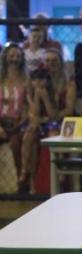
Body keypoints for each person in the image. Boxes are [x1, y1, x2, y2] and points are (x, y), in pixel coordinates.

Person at [19, 68, 58, 193]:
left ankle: (58, 174)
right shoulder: (29, 94)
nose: (38, 83)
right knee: (29, 136)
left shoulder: (52, 93)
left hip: (50, 124)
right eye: (34, 80)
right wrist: (36, 96)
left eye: (41, 79)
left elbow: (53, 115)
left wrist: (45, 99)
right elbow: (33, 114)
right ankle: (25, 170)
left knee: (50, 132)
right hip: (35, 125)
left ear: (47, 81)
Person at [0, 43, 28, 185]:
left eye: (18, 56)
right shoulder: (0, 80)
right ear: (5, 58)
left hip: (19, 122)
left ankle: (18, 181)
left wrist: (21, 122)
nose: (14, 59)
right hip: (1, 121)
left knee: (15, 143)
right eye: (11, 56)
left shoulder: (26, 81)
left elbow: (28, 106)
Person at [44, 48, 76, 122]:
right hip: (44, 120)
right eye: (47, 60)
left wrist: (52, 119)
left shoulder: (70, 84)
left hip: (64, 120)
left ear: (61, 63)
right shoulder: (39, 83)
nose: (51, 63)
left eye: (54, 60)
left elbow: (69, 110)